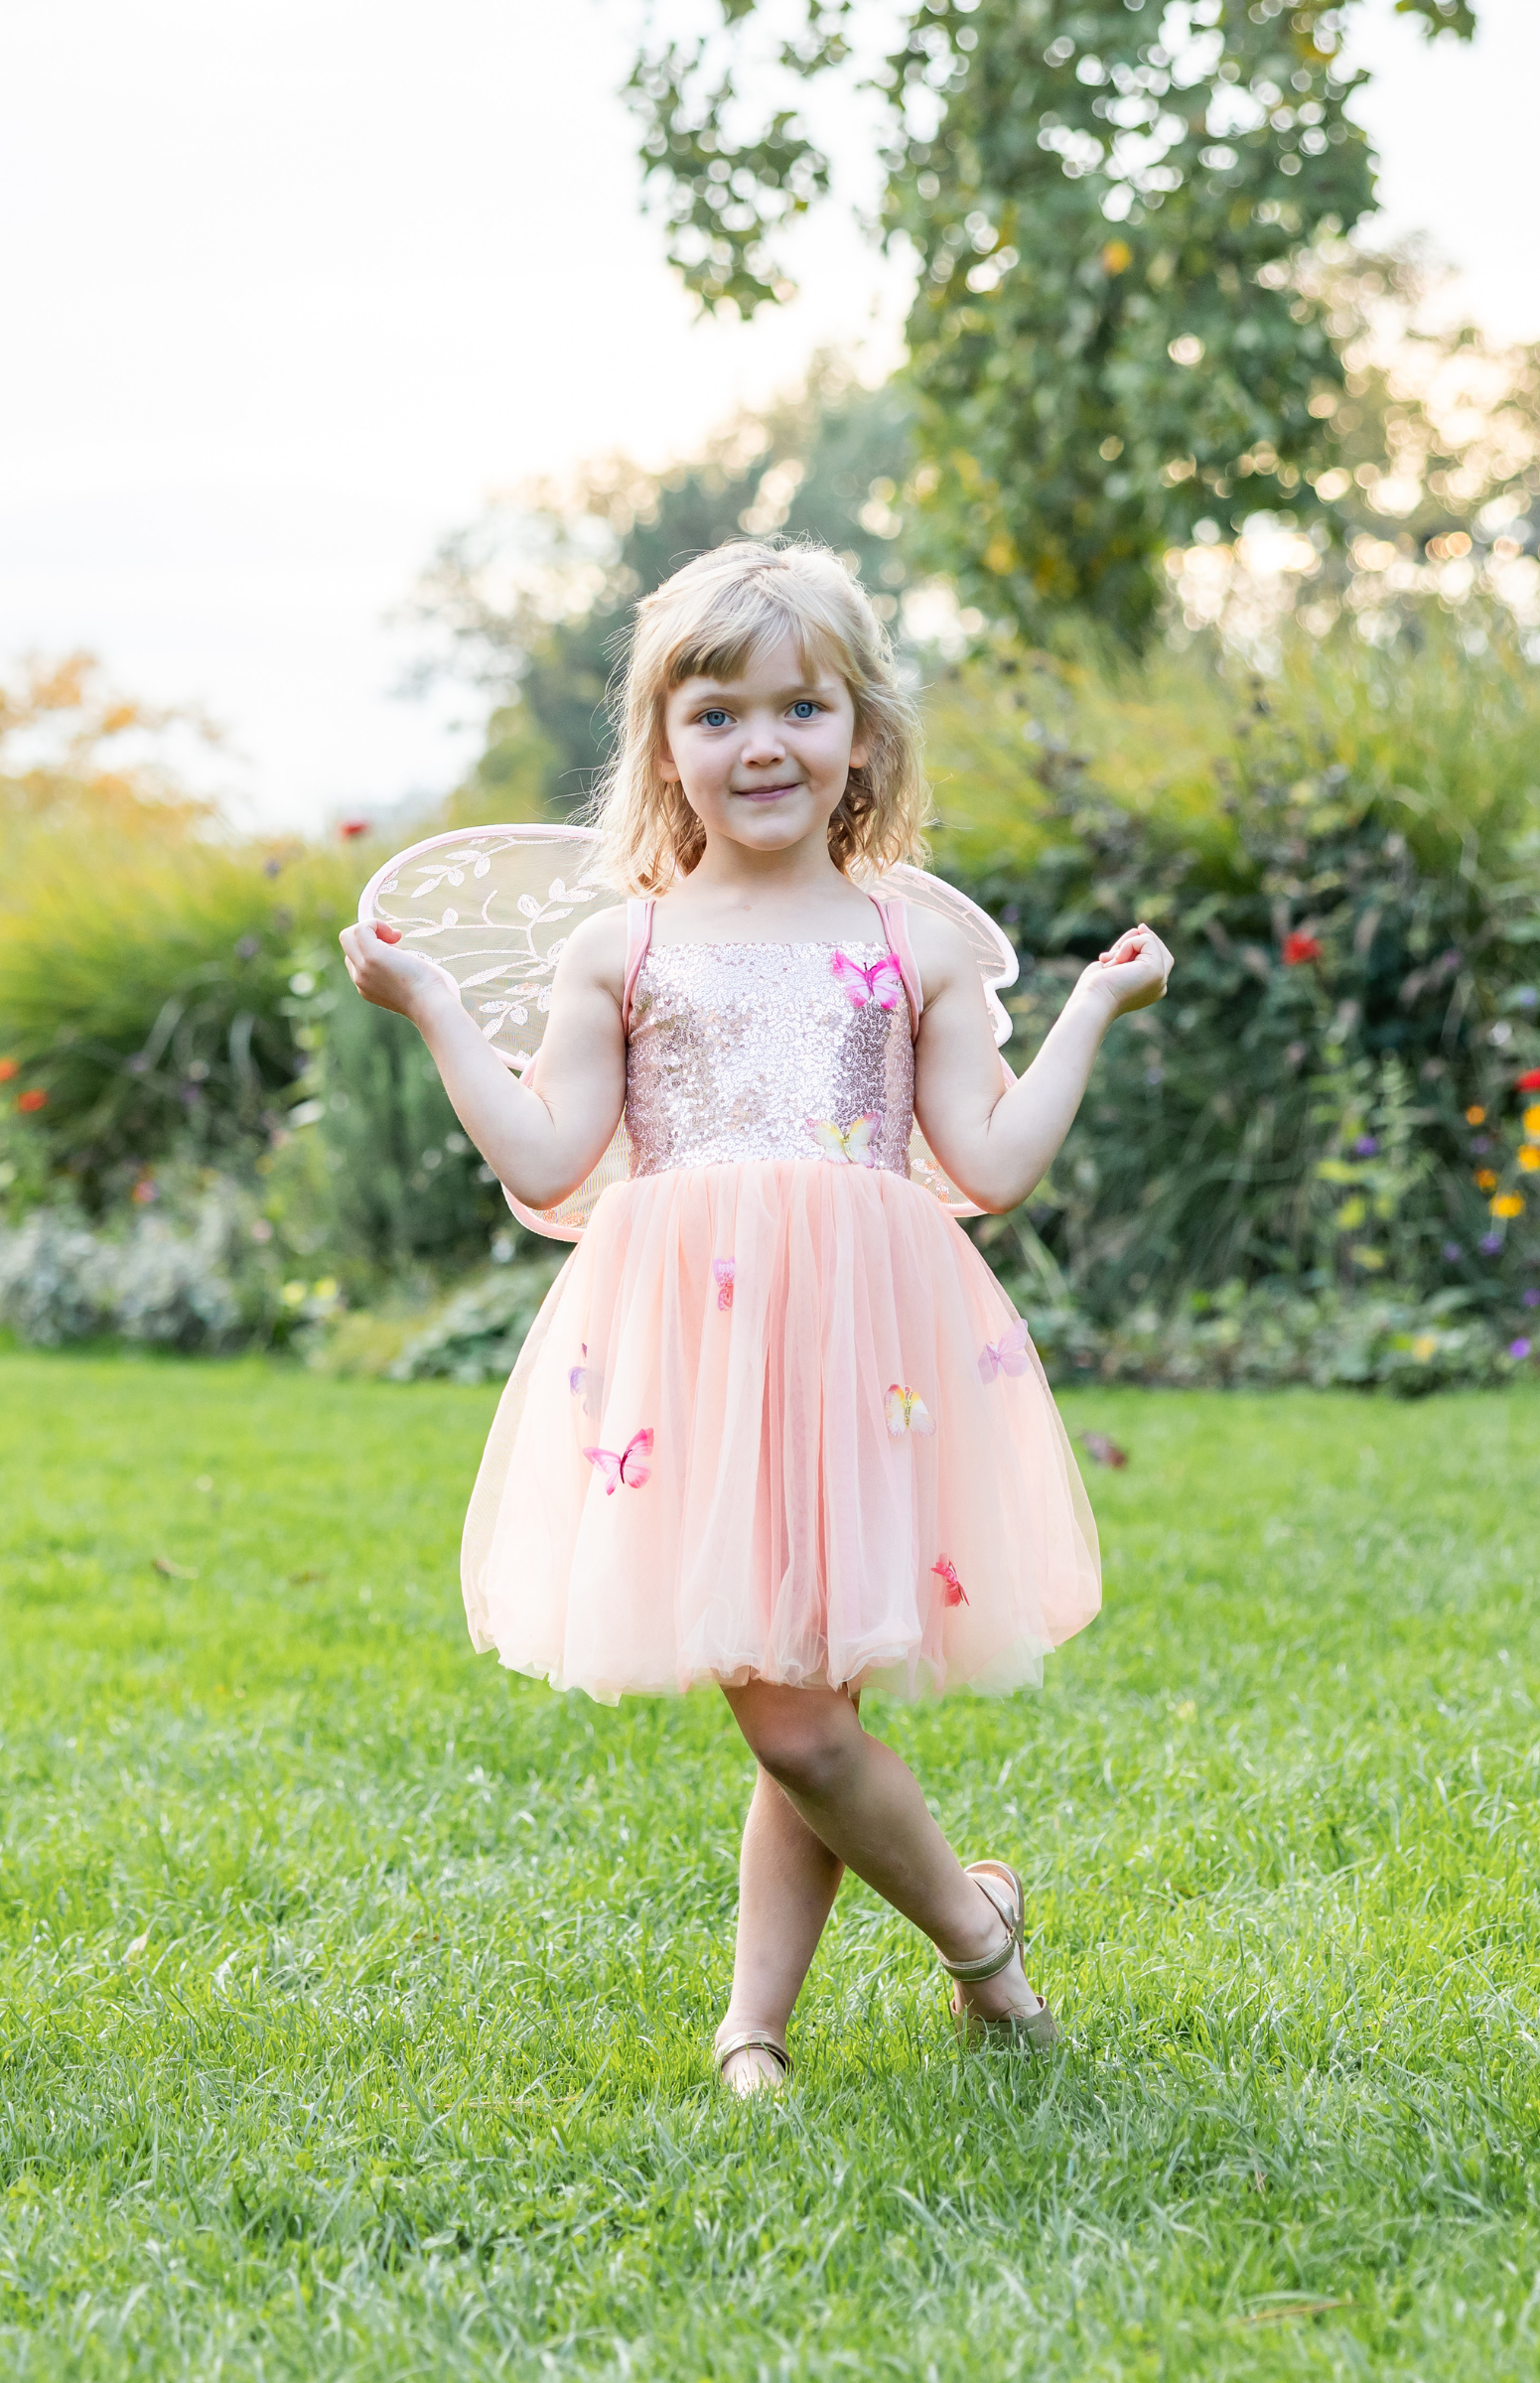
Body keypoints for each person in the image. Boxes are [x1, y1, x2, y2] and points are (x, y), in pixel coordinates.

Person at [340, 539, 1173, 2093]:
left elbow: (985, 1163)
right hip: (703, 1375)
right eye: (716, 713)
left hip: (864, 1360)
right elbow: (544, 1156)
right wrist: (440, 1011)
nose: (762, 743)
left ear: (863, 734)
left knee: (806, 1718)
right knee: (789, 1718)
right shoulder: (626, 947)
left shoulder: (906, 937)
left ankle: (774, 2022)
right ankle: (971, 1939)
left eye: (802, 707)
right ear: (665, 742)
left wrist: (1087, 1013)